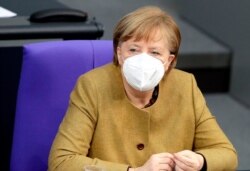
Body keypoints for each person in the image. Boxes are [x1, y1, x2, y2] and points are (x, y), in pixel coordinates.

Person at [48, 6, 238, 171]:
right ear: (119, 53)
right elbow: (62, 162)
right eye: (133, 49)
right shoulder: (92, 85)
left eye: (155, 52)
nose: (143, 59)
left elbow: (227, 154)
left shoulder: (185, 85)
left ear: (168, 61)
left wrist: (200, 161)